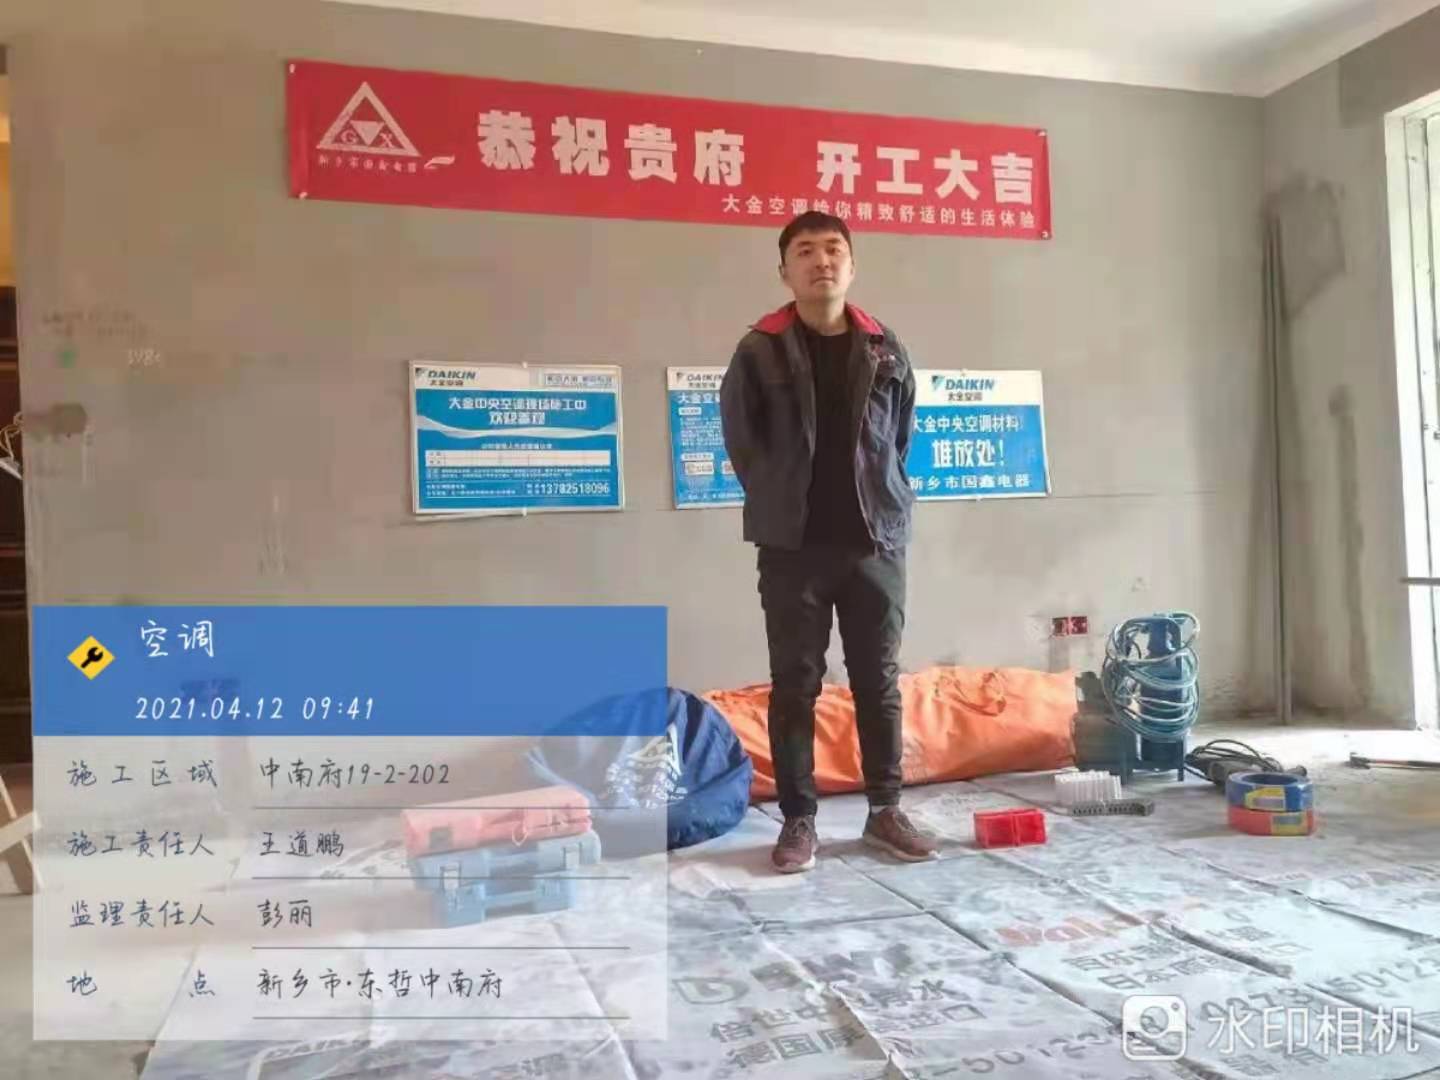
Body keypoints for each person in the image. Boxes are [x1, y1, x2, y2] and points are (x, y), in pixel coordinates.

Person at [720, 211, 939, 873]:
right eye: (806, 251)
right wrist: (784, 503)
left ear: (851, 264)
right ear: (784, 270)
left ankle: (885, 810)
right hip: (793, 548)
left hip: (875, 542)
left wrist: (880, 498)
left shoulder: (884, 346)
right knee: (796, 685)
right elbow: (744, 445)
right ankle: (799, 819)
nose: (822, 261)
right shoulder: (759, 350)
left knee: (879, 681)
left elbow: (898, 438)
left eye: (834, 249)